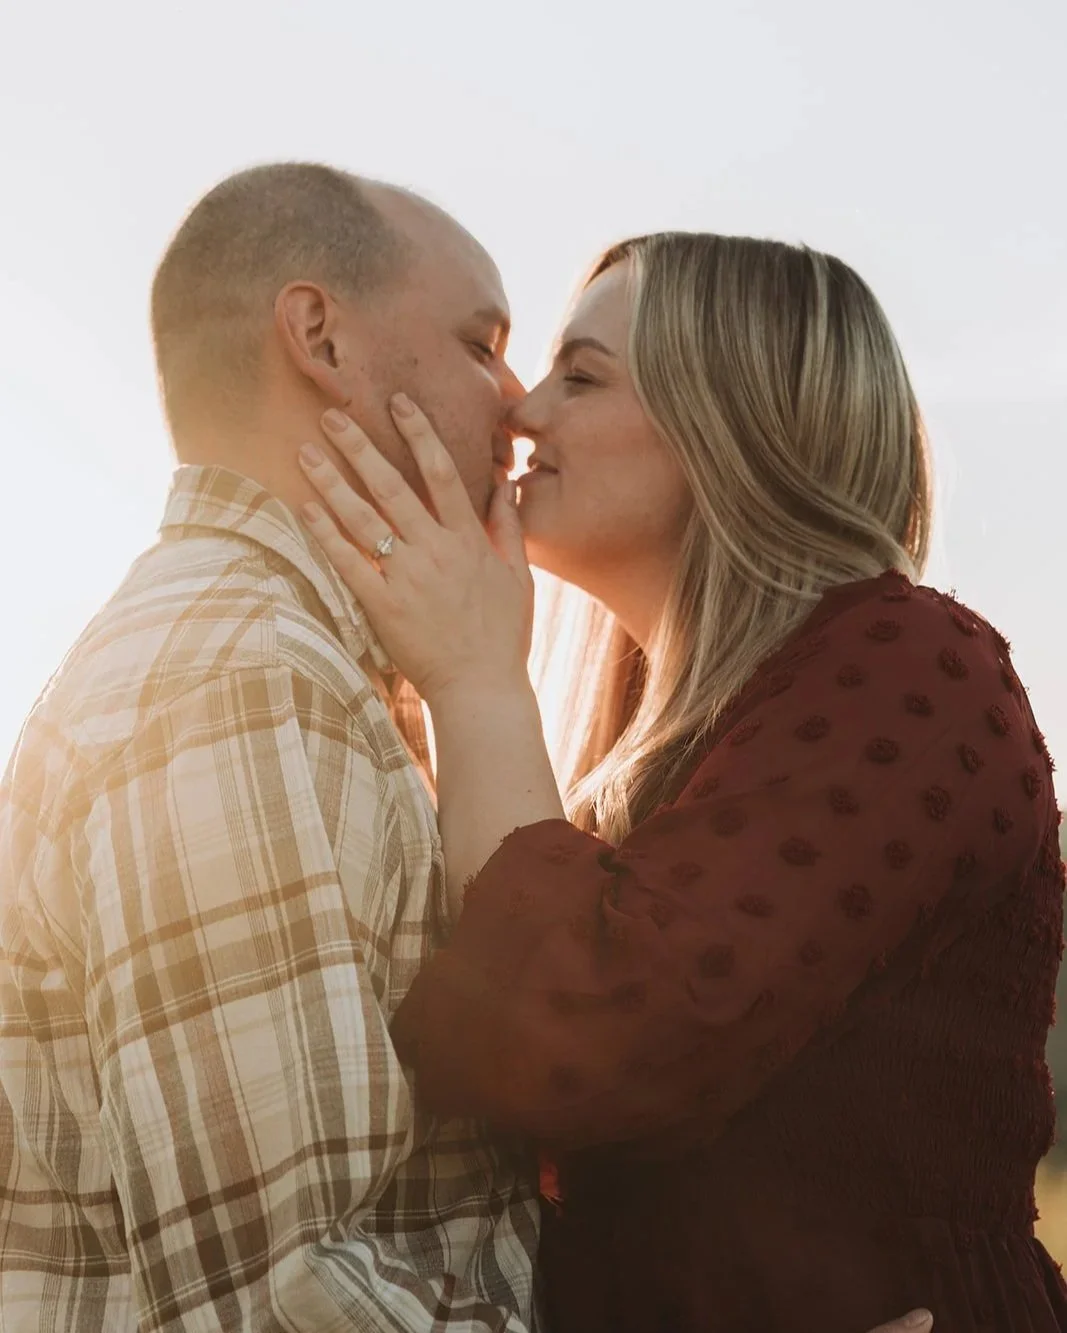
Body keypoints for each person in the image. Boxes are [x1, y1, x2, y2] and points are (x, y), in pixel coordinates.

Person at [296, 231, 1067, 1333]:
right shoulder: (645, 730)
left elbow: (588, 1042)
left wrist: (474, 679)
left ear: (730, 422)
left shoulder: (913, 662)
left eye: (581, 375)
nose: (521, 412)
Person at [0, 163, 541, 1330]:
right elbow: (280, 1294)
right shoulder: (241, 672)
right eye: (480, 343)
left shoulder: (269, 656)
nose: (518, 401)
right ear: (319, 337)